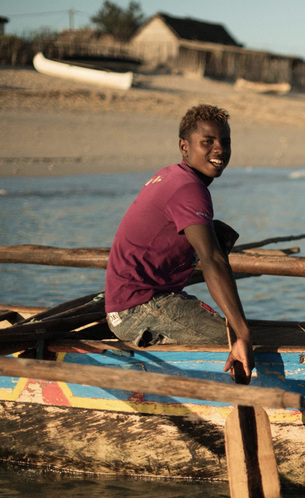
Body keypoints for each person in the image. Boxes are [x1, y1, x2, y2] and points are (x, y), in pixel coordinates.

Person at [104, 104, 252, 380]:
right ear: (184, 147)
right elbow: (212, 260)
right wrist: (242, 333)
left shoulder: (172, 175)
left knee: (219, 234)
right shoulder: (188, 189)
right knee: (235, 342)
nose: (219, 149)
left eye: (225, 142)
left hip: (135, 303)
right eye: (207, 142)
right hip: (137, 309)